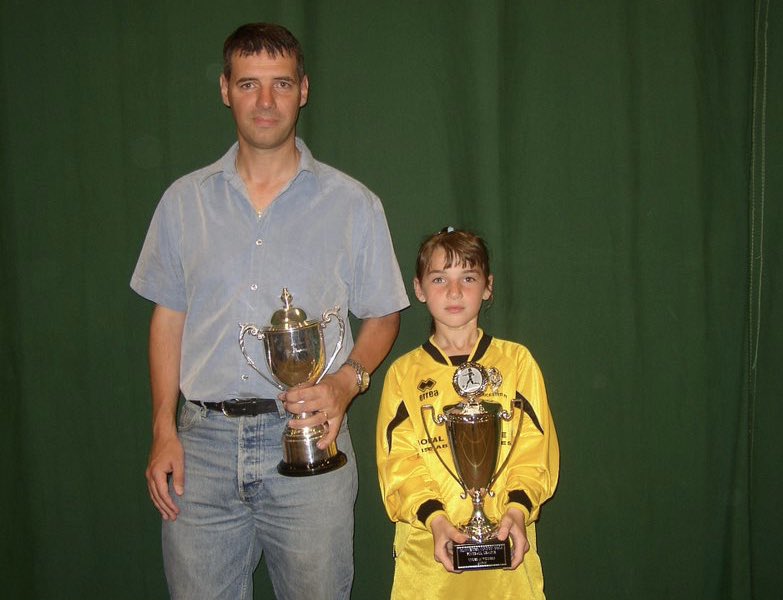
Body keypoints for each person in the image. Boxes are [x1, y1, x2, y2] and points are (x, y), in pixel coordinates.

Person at [130, 22, 409, 600]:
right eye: (249, 84)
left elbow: (383, 315)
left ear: (303, 90)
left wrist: (345, 383)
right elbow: (168, 319)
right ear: (225, 89)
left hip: (314, 440)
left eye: (280, 84)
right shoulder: (184, 203)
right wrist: (163, 429)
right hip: (200, 451)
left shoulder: (353, 204)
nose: (265, 101)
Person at [376, 228, 559, 599]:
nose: (454, 292)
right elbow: (398, 464)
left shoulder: (517, 363)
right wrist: (436, 520)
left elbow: (533, 450)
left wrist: (517, 512)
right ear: (419, 288)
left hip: (508, 551)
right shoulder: (403, 374)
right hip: (429, 557)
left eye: (468, 278)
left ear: (488, 287)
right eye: (440, 278)